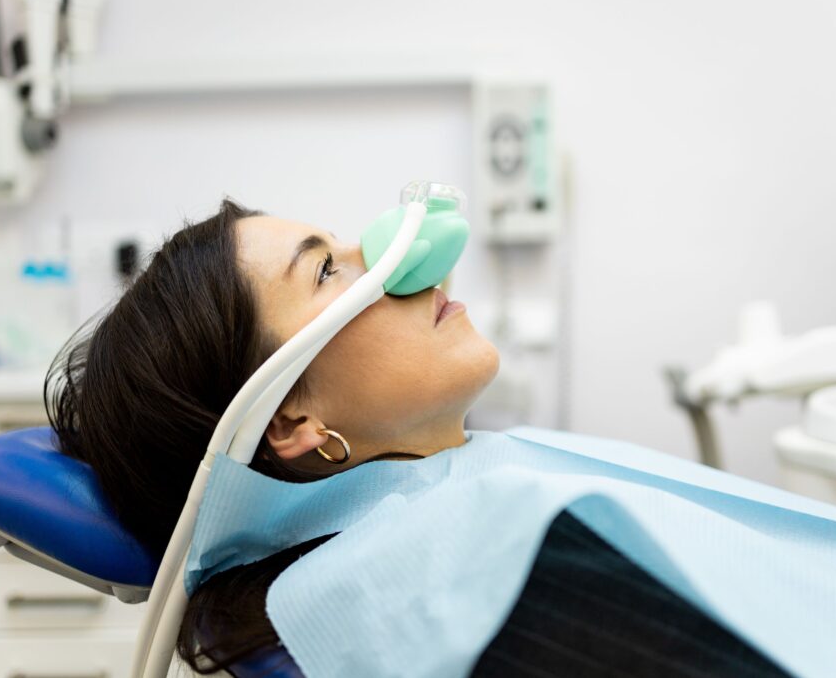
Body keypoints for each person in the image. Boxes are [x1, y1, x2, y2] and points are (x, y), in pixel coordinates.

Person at [46, 199, 790, 676]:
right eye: (330, 269)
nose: (399, 260)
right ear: (290, 421)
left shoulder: (476, 507)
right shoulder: (450, 586)